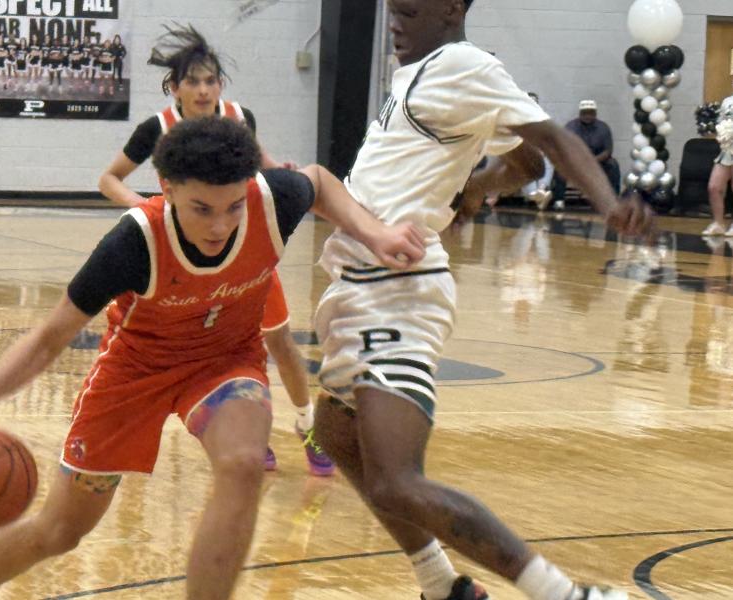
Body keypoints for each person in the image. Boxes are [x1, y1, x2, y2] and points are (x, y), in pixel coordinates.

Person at [0, 117, 427, 600]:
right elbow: (49, 338)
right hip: (133, 374)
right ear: (165, 187)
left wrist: (374, 232)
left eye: (233, 206)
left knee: (244, 463)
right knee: (59, 531)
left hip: (223, 363)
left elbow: (317, 180)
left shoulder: (272, 201)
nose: (221, 224)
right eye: (201, 208)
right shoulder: (132, 243)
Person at [311, 2, 655, 600]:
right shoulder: (431, 72)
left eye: (410, 10)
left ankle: (570, 597)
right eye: (393, 10)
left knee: (396, 480)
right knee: (336, 433)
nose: (395, 20)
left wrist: (608, 203)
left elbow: (550, 137)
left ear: (450, 7)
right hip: (359, 287)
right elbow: (525, 160)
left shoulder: (463, 64)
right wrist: (476, 188)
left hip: (396, 292)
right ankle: (442, 585)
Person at [97, 24, 334, 476]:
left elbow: (262, 170)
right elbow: (108, 179)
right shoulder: (157, 129)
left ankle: (308, 426)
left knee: (279, 341)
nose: (203, 90)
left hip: (245, 249)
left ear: (220, 85)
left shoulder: (239, 118)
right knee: (216, 350)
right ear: (175, 88)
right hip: (182, 260)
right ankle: (245, 434)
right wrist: (146, 206)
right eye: (193, 81)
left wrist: (280, 171)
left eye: (211, 81)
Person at [551, 100, 621, 205]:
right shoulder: (570, 127)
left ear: (595, 113)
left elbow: (608, 151)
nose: (587, 115)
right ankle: (558, 200)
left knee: (613, 164)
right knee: (560, 167)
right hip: (575, 162)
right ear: (580, 113)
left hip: (597, 162)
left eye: (590, 112)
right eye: (585, 113)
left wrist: (592, 161)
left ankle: (613, 200)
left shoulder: (603, 128)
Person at [701, 88, 733, 236]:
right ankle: (718, 223)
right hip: (727, 151)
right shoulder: (727, 101)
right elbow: (721, 124)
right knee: (714, 187)